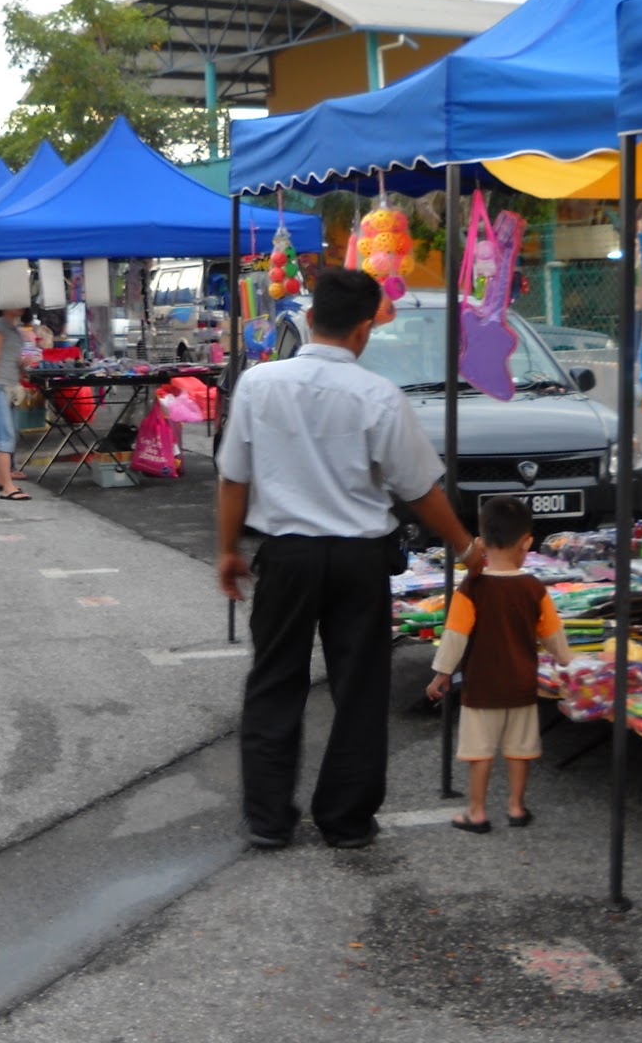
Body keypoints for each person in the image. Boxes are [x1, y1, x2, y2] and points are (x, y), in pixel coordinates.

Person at [215, 267, 486, 851]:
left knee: (274, 683)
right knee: (359, 689)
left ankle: (267, 818)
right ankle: (345, 819)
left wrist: (226, 551)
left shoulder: (259, 385)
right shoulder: (378, 395)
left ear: (310, 319)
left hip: (286, 557)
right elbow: (419, 490)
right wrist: (466, 547)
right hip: (359, 560)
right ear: (365, 331)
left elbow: (233, 478)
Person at [425, 496, 573, 833]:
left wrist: (441, 674)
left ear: (480, 543)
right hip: (521, 686)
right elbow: (554, 635)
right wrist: (569, 663)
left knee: (480, 752)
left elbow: (454, 637)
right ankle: (517, 808)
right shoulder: (534, 589)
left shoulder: (472, 588)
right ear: (527, 543)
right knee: (520, 750)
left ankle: (476, 812)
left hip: (482, 688)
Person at [0, 289, 30, 500]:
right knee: (6, 434)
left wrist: (21, 365)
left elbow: (6, 360)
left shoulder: (13, 329)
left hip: (8, 386)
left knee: (1, 433)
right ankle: (8, 486)